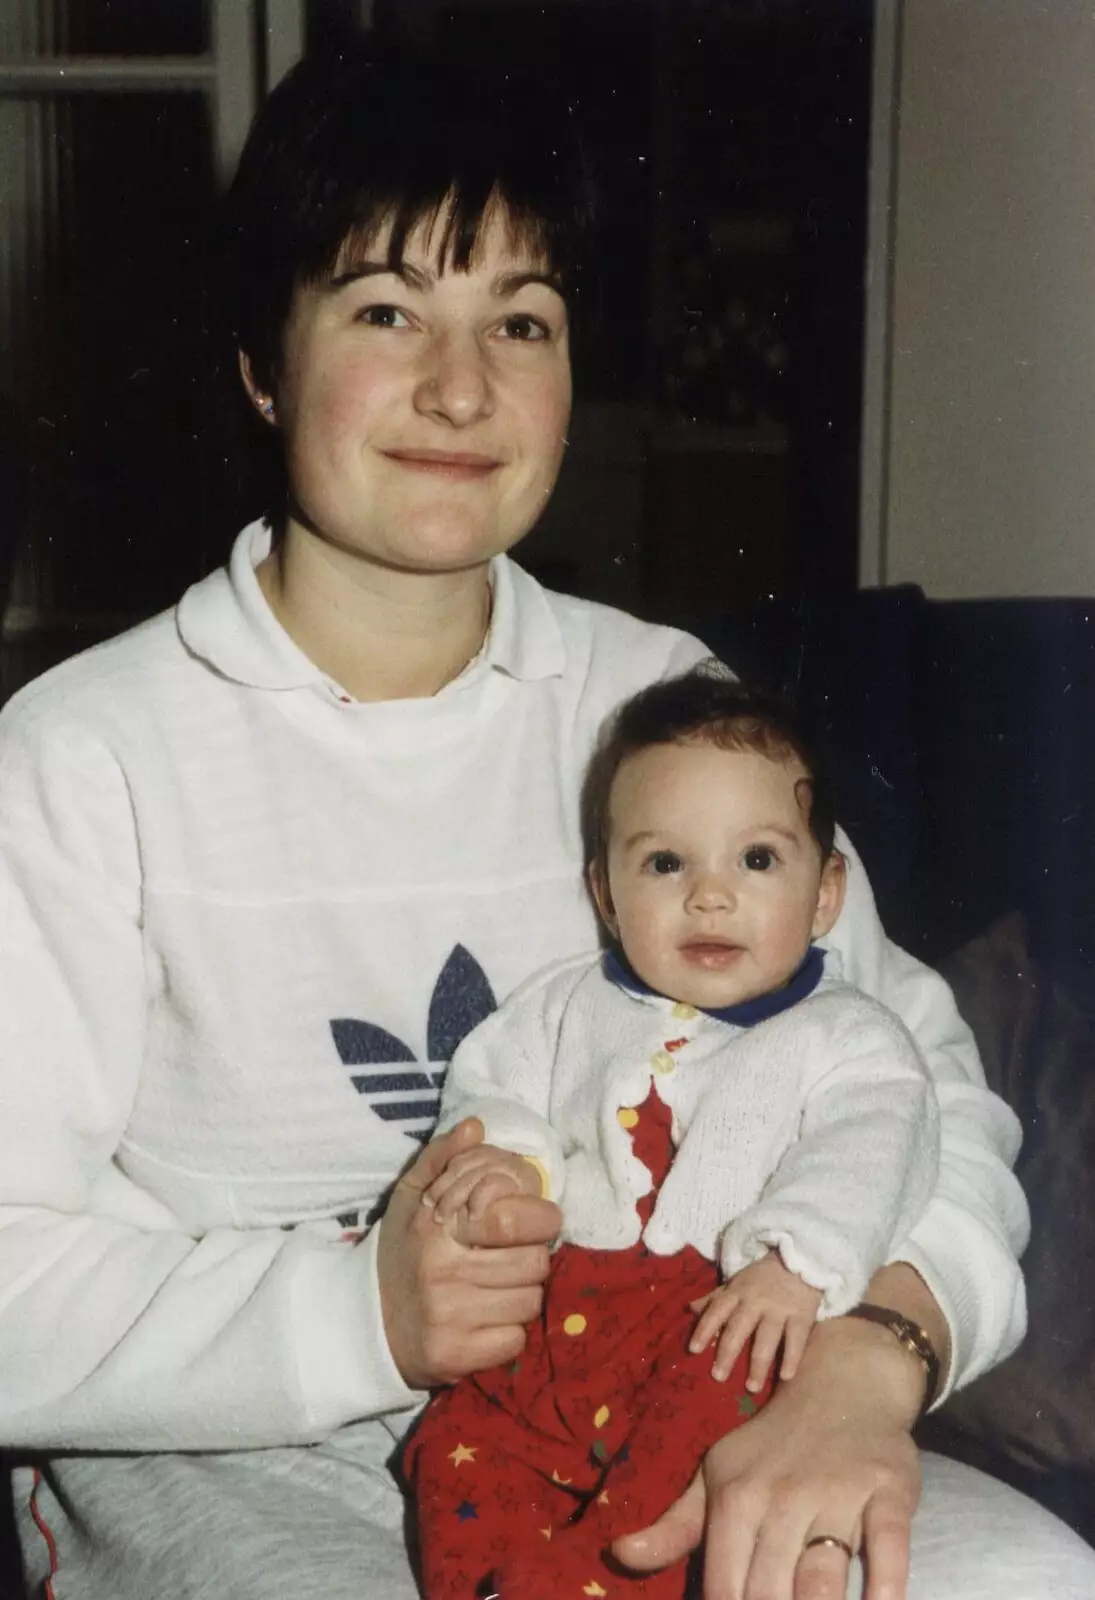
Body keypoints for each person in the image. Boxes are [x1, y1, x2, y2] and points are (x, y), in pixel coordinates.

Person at [0, 33, 1092, 1600]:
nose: (462, 387)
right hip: (235, 1452)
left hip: (671, 1388)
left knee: (1035, 1577)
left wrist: (873, 1351)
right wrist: (361, 1312)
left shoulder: (660, 705)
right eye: (386, 310)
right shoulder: (81, 757)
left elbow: (920, 1090)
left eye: (522, 319)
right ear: (257, 358)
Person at [403, 674, 941, 1599]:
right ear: (604, 894)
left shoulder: (848, 1036)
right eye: (664, 865)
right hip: (559, 1310)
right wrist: (508, 1161)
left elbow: (872, 1146)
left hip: (722, 1314)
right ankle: (491, 1575)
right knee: (455, 1439)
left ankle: (595, 1580)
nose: (709, 898)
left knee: (692, 1451)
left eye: (758, 861)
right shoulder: (568, 1006)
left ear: (826, 894)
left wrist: (797, 1259)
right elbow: (496, 1086)